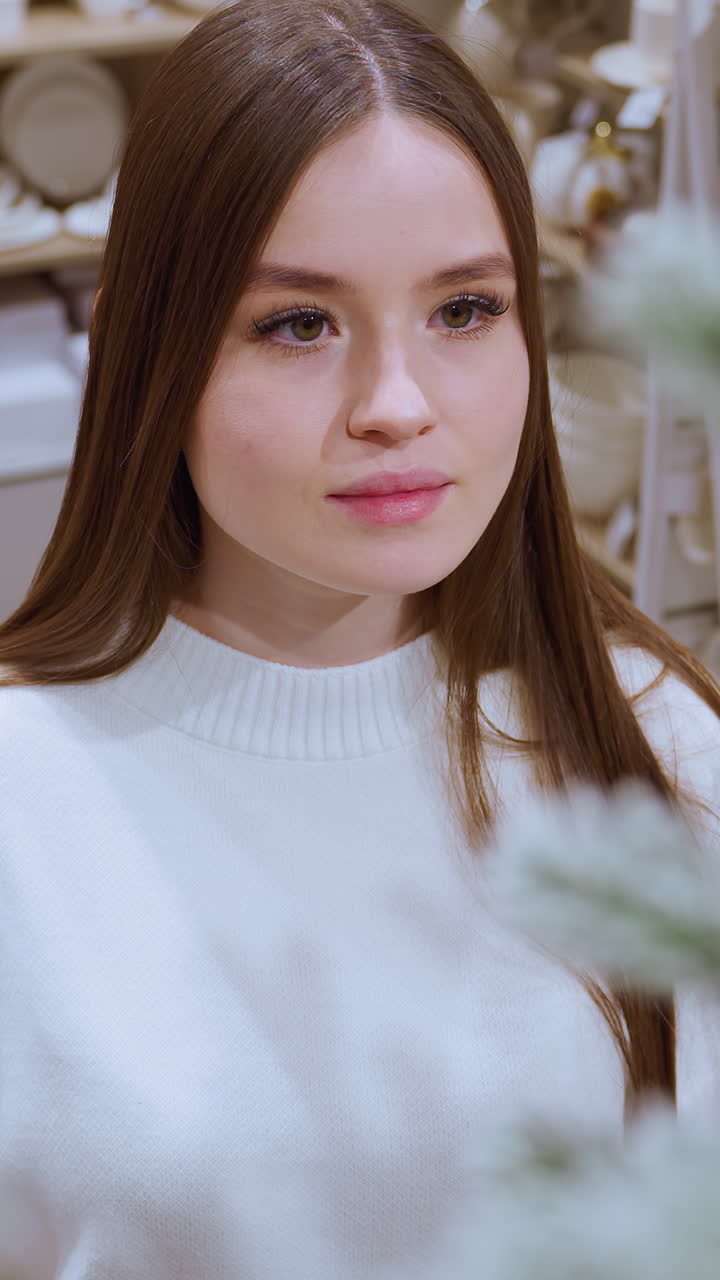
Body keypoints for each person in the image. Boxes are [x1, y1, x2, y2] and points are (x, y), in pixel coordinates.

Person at [0, 0, 719, 1274]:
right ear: (137, 348)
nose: (397, 406)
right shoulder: (26, 793)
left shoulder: (656, 739)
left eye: (464, 311)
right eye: (297, 323)